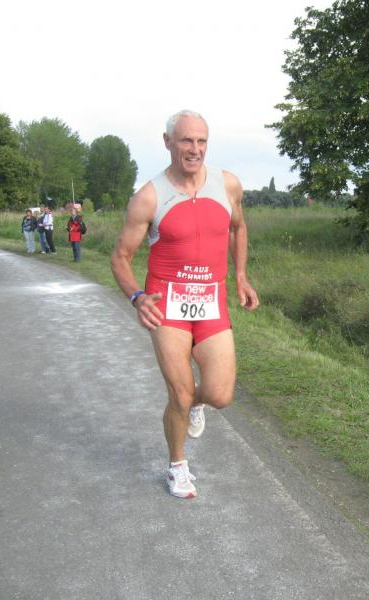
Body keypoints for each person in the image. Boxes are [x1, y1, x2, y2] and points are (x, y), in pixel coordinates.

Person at [111, 110, 259, 499]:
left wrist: (241, 276)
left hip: (211, 301)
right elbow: (121, 256)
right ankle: (177, 465)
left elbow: (238, 228)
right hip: (168, 305)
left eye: (201, 141)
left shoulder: (227, 185)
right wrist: (137, 297)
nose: (195, 149)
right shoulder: (149, 197)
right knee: (179, 394)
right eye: (186, 141)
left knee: (221, 395)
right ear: (168, 142)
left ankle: (195, 403)